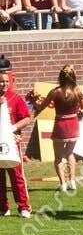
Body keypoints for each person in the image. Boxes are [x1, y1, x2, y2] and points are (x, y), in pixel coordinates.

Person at [39, 64, 83, 193]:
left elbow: (41, 106)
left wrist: (34, 103)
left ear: (60, 76)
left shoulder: (55, 92)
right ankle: (72, 181)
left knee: (58, 156)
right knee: (70, 154)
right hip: (73, 124)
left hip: (60, 124)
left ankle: (63, 183)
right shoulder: (78, 91)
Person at [0, 58, 32, 218]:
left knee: (17, 175)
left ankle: (24, 207)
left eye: (6, 81)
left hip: (12, 143)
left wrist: (13, 128)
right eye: (1, 81)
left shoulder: (15, 98)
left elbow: (26, 118)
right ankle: (3, 207)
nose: (4, 84)